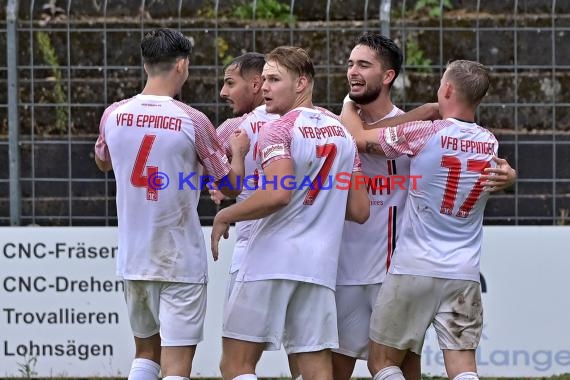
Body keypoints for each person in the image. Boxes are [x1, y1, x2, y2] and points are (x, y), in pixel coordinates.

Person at [335, 32, 516, 380]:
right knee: (463, 367)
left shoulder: (425, 133)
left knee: (382, 363)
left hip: (413, 265)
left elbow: (358, 138)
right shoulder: (490, 143)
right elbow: (501, 172)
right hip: (464, 271)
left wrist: (347, 105)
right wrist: (511, 176)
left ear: (447, 90)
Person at [93, 28, 249, 380]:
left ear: (146, 64)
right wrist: (237, 152)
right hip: (179, 259)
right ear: (181, 65)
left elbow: (102, 160)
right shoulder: (192, 120)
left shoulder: (114, 114)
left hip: (134, 258)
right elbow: (230, 184)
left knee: (145, 353)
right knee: (176, 366)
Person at [211, 46, 369, 380]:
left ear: (302, 83)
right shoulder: (342, 133)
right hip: (318, 266)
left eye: (274, 79)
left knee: (235, 364)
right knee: (313, 369)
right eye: (264, 79)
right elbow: (359, 210)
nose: (264, 87)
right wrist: (319, 204)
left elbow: (278, 193)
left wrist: (227, 215)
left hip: (271, 260)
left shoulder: (277, 129)